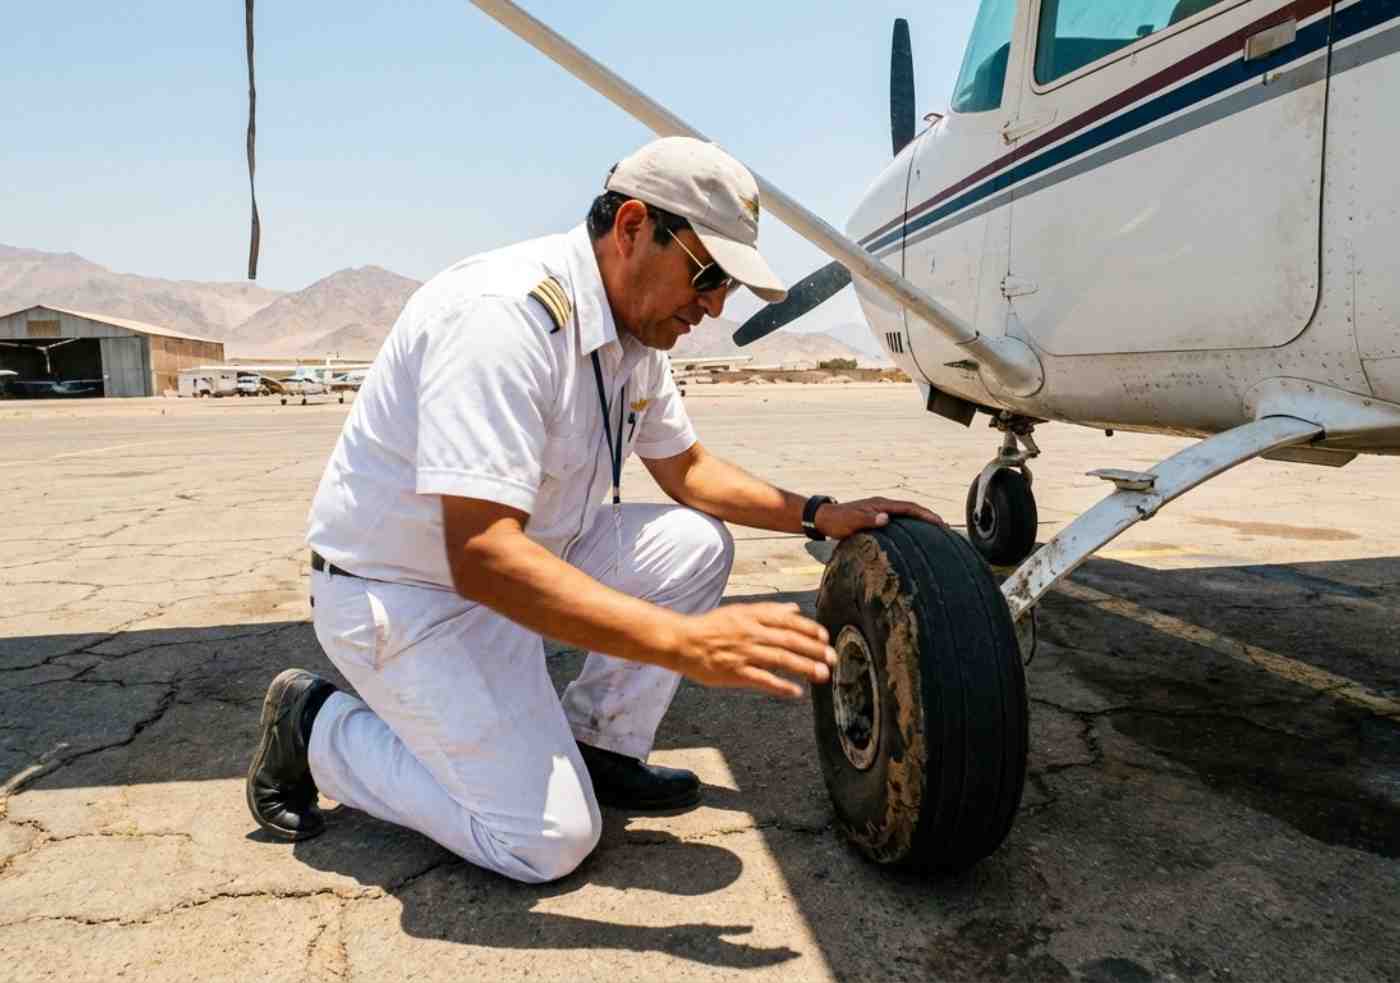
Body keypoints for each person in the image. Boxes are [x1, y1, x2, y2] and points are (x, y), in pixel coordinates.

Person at [246, 137, 944, 884]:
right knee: (545, 841)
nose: (711, 306)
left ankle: (599, 743)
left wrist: (819, 512)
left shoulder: (635, 338)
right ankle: (315, 725)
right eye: (707, 275)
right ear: (633, 228)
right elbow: (481, 552)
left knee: (696, 545)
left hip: (517, 567)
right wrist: (683, 643)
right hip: (409, 596)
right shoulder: (501, 319)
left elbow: (690, 471)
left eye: (727, 290)